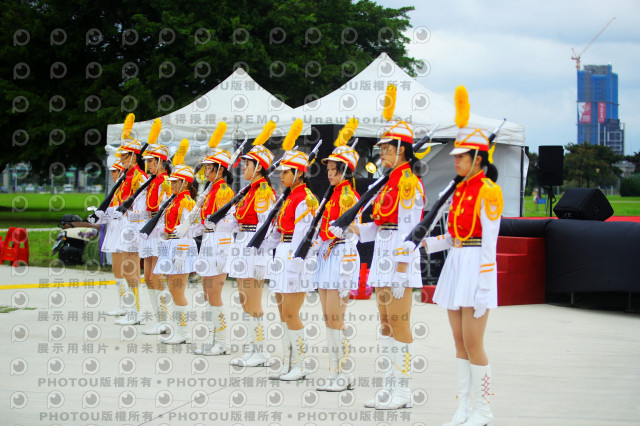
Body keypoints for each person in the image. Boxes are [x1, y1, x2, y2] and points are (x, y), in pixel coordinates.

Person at [331, 120, 425, 409]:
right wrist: (352, 228)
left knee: (399, 322)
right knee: (385, 323)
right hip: (383, 254)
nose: (381, 153)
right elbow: (381, 225)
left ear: (402, 150)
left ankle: (403, 391)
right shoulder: (388, 182)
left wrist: (401, 271)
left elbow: (410, 230)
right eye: (381, 148)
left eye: (386, 148)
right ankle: (388, 387)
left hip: (400, 259)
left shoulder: (408, 183)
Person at [420, 108, 502, 425]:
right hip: (456, 264)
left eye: (461, 157)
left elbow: (489, 242)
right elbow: (455, 236)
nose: (455, 161)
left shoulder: (489, 191)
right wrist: (424, 244)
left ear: (478, 159)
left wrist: (485, 286)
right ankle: (464, 407)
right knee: (458, 342)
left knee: (473, 342)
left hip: (476, 267)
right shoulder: (460, 189)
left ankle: (484, 409)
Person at [207, 143, 276, 366]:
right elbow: (238, 220)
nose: (243, 167)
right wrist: (215, 224)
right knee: (243, 298)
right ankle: (252, 348)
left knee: (252, 300)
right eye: (244, 163)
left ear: (259, 167)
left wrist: (261, 255)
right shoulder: (249, 191)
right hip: (242, 242)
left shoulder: (263, 191)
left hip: (254, 245)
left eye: (247, 164)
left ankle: (261, 352)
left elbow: (267, 226)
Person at [264, 148, 318, 381]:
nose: (282, 175)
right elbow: (280, 230)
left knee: (290, 311)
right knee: (282, 311)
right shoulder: (288, 196)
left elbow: (302, 236)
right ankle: (289, 362)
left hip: (296, 256)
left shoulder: (305, 198)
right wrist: (264, 244)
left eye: (286, 172)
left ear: (299, 173)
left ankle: (301, 364)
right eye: (282, 171)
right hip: (283, 252)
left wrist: (296, 264)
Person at [313, 143, 360, 391]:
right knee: (328, 317)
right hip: (327, 253)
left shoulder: (348, 196)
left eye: (335, 169)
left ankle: (345, 373)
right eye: (329, 169)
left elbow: (354, 232)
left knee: (336, 317)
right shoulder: (332, 194)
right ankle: (335, 372)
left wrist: (340, 231)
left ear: (345, 170)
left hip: (342, 254)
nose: (330, 174)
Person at [188, 149, 235, 355]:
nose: (206, 171)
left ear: (220, 170)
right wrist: (192, 229)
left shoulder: (224, 191)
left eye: (209, 168)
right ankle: (213, 337)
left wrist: (212, 230)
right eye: (205, 167)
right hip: (208, 240)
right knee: (207, 291)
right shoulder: (210, 190)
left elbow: (229, 222)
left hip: (219, 243)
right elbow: (205, 220)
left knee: (214, 292)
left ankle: (223, 341)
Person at [152, 163, 198, 344]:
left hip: (180, 246)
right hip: (170, 244)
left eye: (175, 182)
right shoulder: (174, 200)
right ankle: (180, 330)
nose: (171, 185)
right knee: (172, 289)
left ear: (185, 183)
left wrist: (181, 252)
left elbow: (188, 230)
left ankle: (183, 332)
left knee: (177, 290)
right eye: (171, 182)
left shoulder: (187, 202)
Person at [105, 138, 148, 326]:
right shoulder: (126, 177)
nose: (121, 159)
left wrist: (126, 212)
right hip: (124, 225)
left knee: (131, 270)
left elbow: (145, 209)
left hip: (133, 227)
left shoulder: (140, 178)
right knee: (127, 270)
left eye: (124, 156)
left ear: (133, 156)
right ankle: (132, 310)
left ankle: (136, 312)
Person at [138, 142, 172, 335]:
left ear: (160, 162)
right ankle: (159, 318)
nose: (148, 165)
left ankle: (165, 319)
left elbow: (167, 208)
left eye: (151, 161)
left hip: (158, 229)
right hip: (149, 227)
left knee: (156, 276)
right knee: (148, 276)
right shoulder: (152, 181)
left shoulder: (166, 181)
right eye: (147, 161)